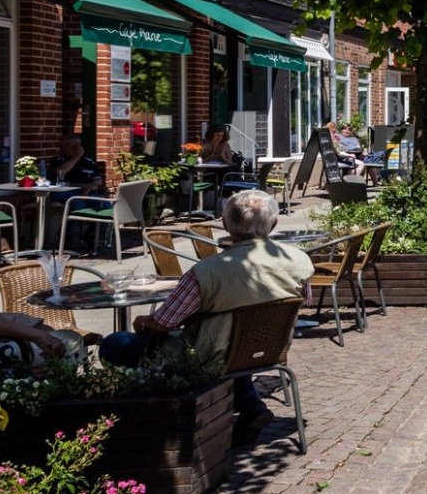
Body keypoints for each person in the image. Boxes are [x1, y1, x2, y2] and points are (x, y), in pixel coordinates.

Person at [99, 189, 314, 445]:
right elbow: (304, 301)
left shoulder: (207, 271)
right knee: (233, 345)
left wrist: (143, 321)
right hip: (265, 348)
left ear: (225, 224)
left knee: (114, 343)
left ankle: (145, 424)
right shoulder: (299, 261)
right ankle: (252, 407)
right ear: (274, 224)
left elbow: (163, 324)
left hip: (207, 355)